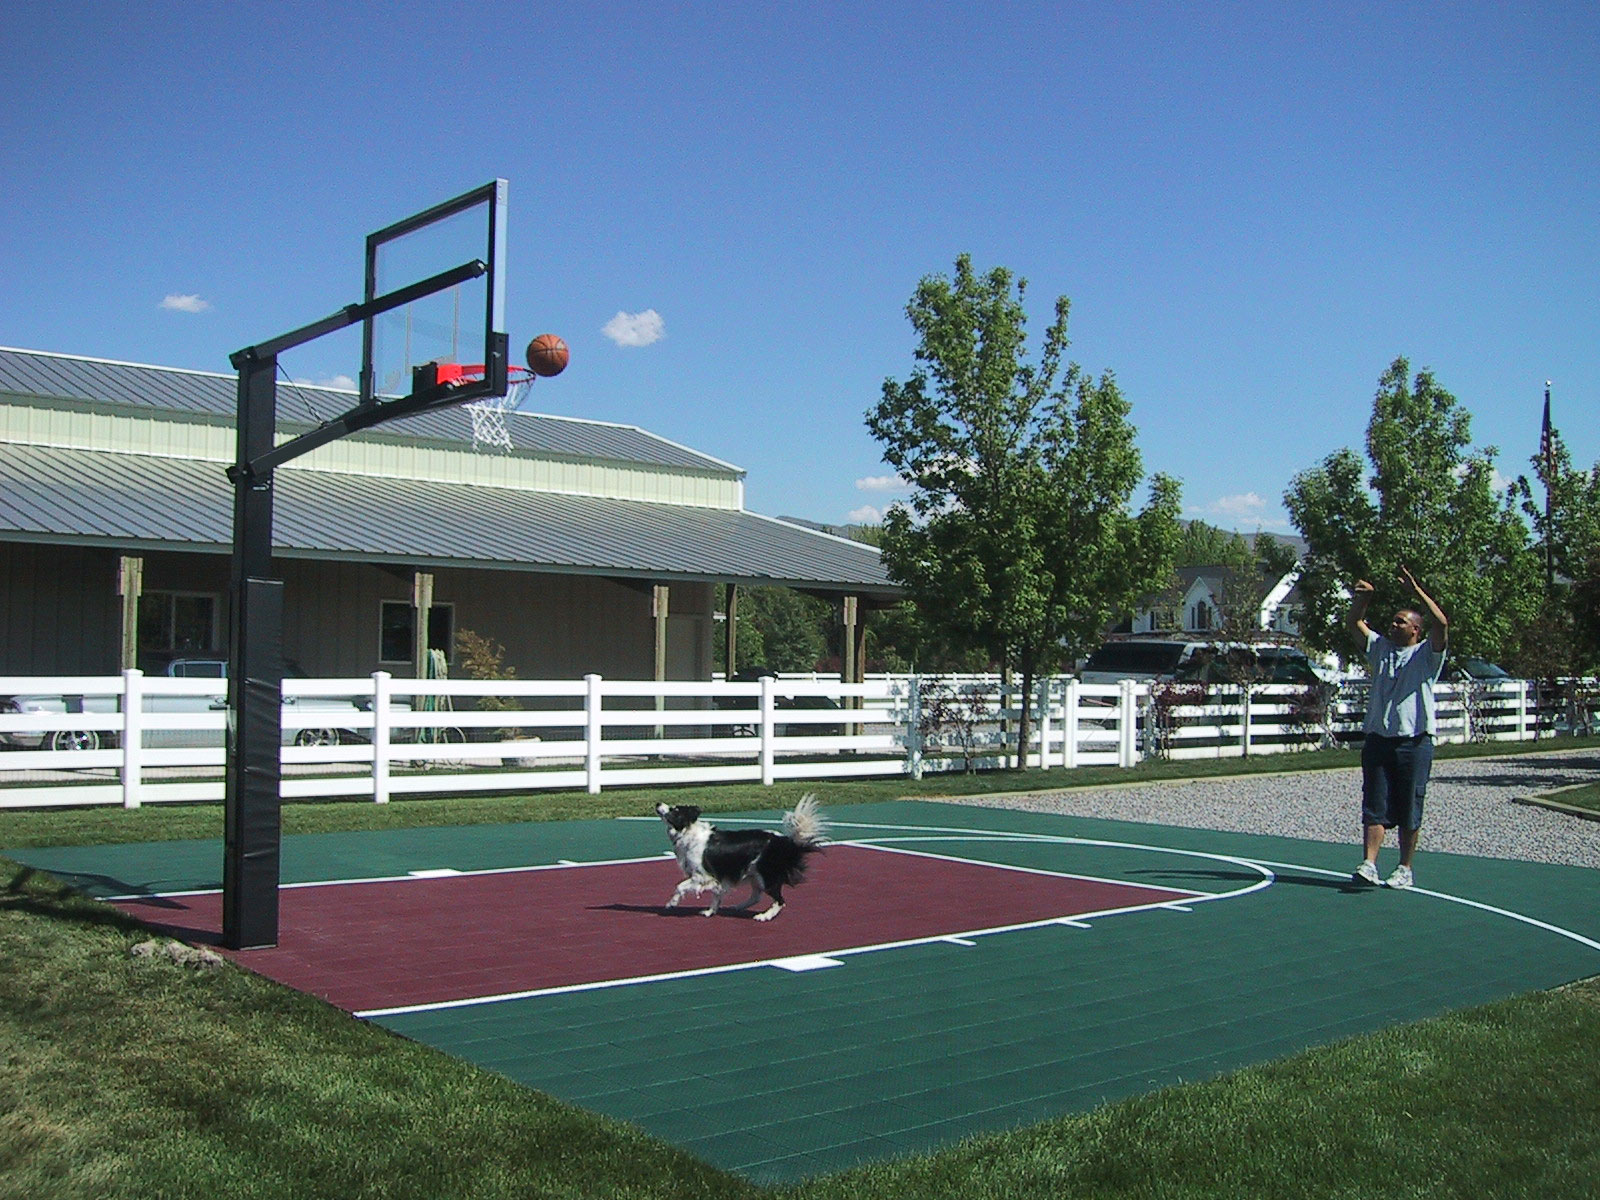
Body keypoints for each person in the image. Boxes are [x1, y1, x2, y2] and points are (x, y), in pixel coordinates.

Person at [1347, 565, 1448, 889]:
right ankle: (1369, 864)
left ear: (1416, 629)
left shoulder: (1427, 656)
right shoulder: (1380, 648)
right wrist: (1363, 600)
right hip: (1379, 739)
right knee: (1374, 805)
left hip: (1414, 743)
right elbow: (1354, 623)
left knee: (1408, 806)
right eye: (1392, 620)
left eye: (1400, 621)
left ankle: (1404, 868)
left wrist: (1416, 589)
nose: (1393, 624)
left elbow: (1442, 623)